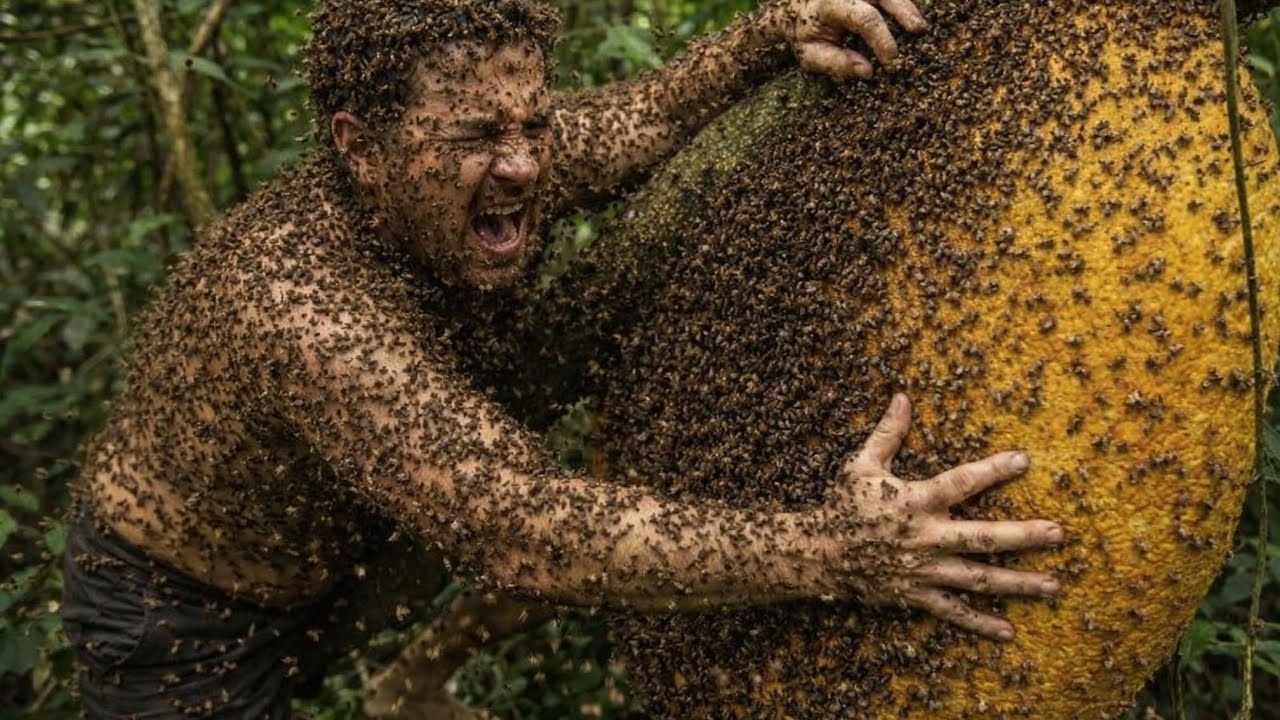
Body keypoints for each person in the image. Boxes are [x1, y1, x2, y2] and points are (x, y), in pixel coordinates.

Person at [62, 1, 1065, 718]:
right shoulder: (298, 302)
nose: (526, 164)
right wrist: (838, 553)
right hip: (179, 616)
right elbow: (526, 530)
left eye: (532, 123)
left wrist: (770, 30)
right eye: (476, 136)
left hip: (343, 539)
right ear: (359, 148)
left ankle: (404, 685)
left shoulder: (486, 155)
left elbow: (648, 118)